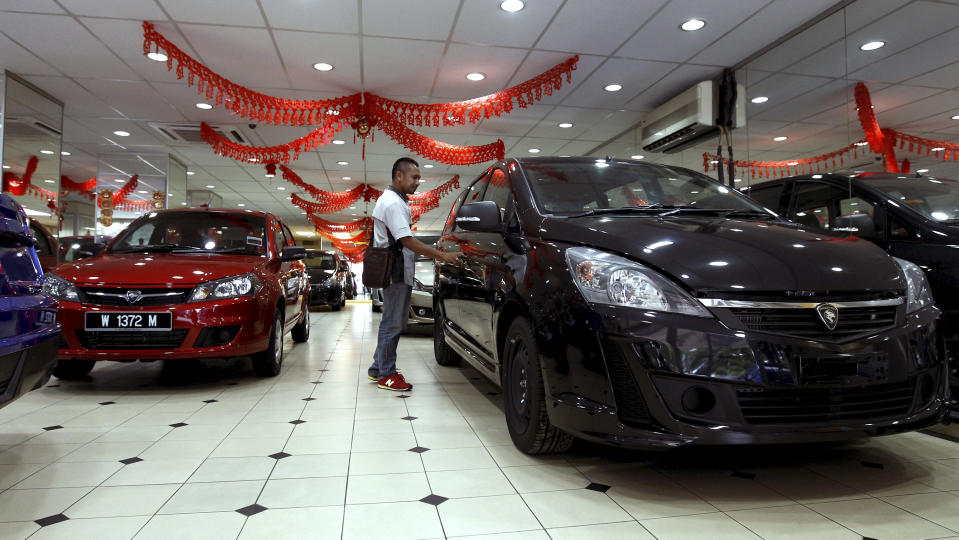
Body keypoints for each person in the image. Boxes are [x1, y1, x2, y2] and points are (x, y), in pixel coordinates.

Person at [369, 157, 460, 391]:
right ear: (399, 175)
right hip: (396, 271)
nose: (418, 182)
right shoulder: (392, 203)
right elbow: (406, 240)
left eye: (419, 177)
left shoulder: (394, 200)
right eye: (414, 177)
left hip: (396, 270)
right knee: (394, 324)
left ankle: (378, 367)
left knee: (389, 321)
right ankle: (386, 374)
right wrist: (442, 255)